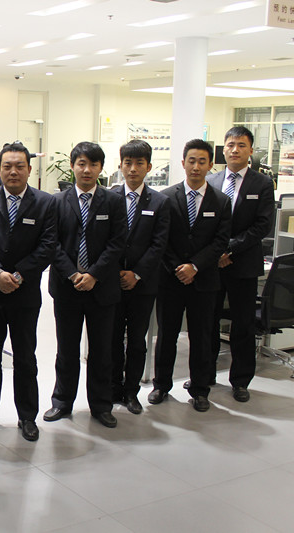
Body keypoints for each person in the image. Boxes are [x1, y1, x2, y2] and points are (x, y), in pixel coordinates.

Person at [0, 142, 56, 442]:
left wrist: (18, 275)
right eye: (7, 166)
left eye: (19, 166)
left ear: (29, 169)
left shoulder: (46, 203)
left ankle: (27, 416)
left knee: (25, 358)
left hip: (25, 295)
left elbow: (48, 246)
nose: (13, 171)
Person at [44, 141, 126, 428]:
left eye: (93, 164)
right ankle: (62, 402)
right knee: (66, 349)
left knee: (102, 350)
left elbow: (117, 243)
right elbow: (52, 243)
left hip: (101, 289)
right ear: (73, 166)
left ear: (101, 168)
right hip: (67, 288)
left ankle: (101, 405)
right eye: (81, 164)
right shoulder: (56, 201)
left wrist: (93, 274)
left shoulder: (113, 201)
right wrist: (72, 274)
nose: (87, 169)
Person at [149, 139, 231, 412]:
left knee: (201, 337)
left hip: (204, 280)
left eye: (202, 162)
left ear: (210, 165)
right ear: (183, 163)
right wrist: (179, 267)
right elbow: (161, 240)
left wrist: (194, 266)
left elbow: (220, 242)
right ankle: (161, 385)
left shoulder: (222, 201)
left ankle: (200, 389)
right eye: (191, 161)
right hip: (170, 279)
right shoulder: (165, 198)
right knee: (167, 336)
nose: (196, 167)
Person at [206, 127, 274, 402]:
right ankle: (204, 375)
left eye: (241, 145)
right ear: (223, 149)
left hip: (243, 264)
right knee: (207, 322)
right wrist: (215, 252)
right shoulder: (211, 180)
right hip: (213, 265)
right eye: (231, 144)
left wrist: (229, 248)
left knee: (243, 325)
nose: (235, 150)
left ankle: (241, 381)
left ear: (251, 150)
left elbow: (262, 225)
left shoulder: (262, 183)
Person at [110, 140, 170, 415]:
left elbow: (159, 245)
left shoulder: (160, 202)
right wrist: (114, 271)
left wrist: (136, 274)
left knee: (136, 341)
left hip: (142, 285)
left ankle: (131, 391)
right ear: (120, 165)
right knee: (111, 339)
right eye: (128, 163)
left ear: (149, 166)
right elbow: (102, 239)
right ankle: (112, 389)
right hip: (111, 283)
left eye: (139, 163)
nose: (133, 169)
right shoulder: (108, 197)